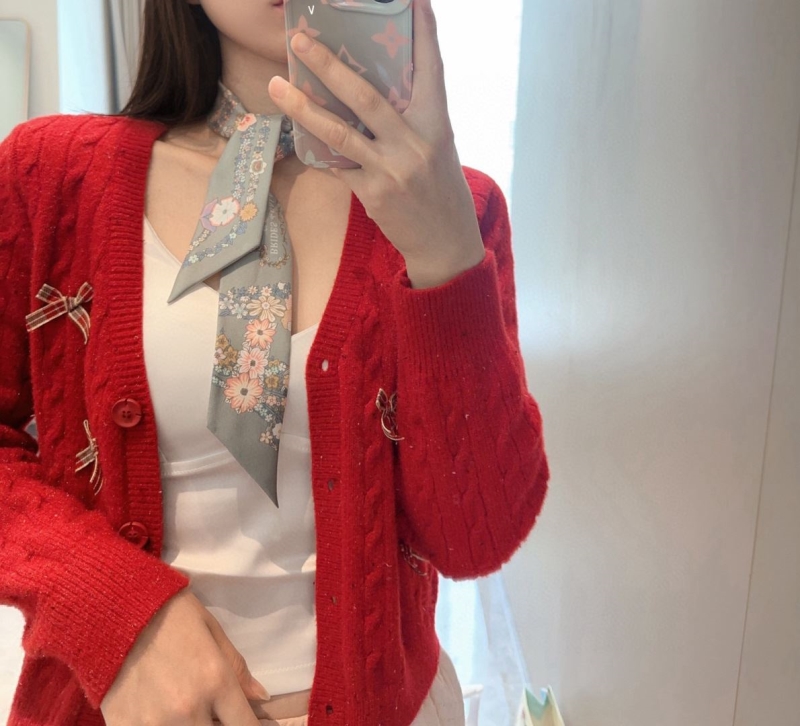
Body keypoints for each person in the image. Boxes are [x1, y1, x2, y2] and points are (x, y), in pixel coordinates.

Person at [0, 0, 551, 723]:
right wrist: (111, 609)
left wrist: (445, 252)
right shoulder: (47, 177)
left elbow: (476, 538)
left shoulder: (458, 210)